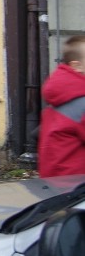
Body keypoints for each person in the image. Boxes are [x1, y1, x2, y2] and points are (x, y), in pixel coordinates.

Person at [37, 35, 85, 178]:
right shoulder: (80, 100)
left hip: (53, 177)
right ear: (77, 66)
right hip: (75, 183)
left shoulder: (64, 90)